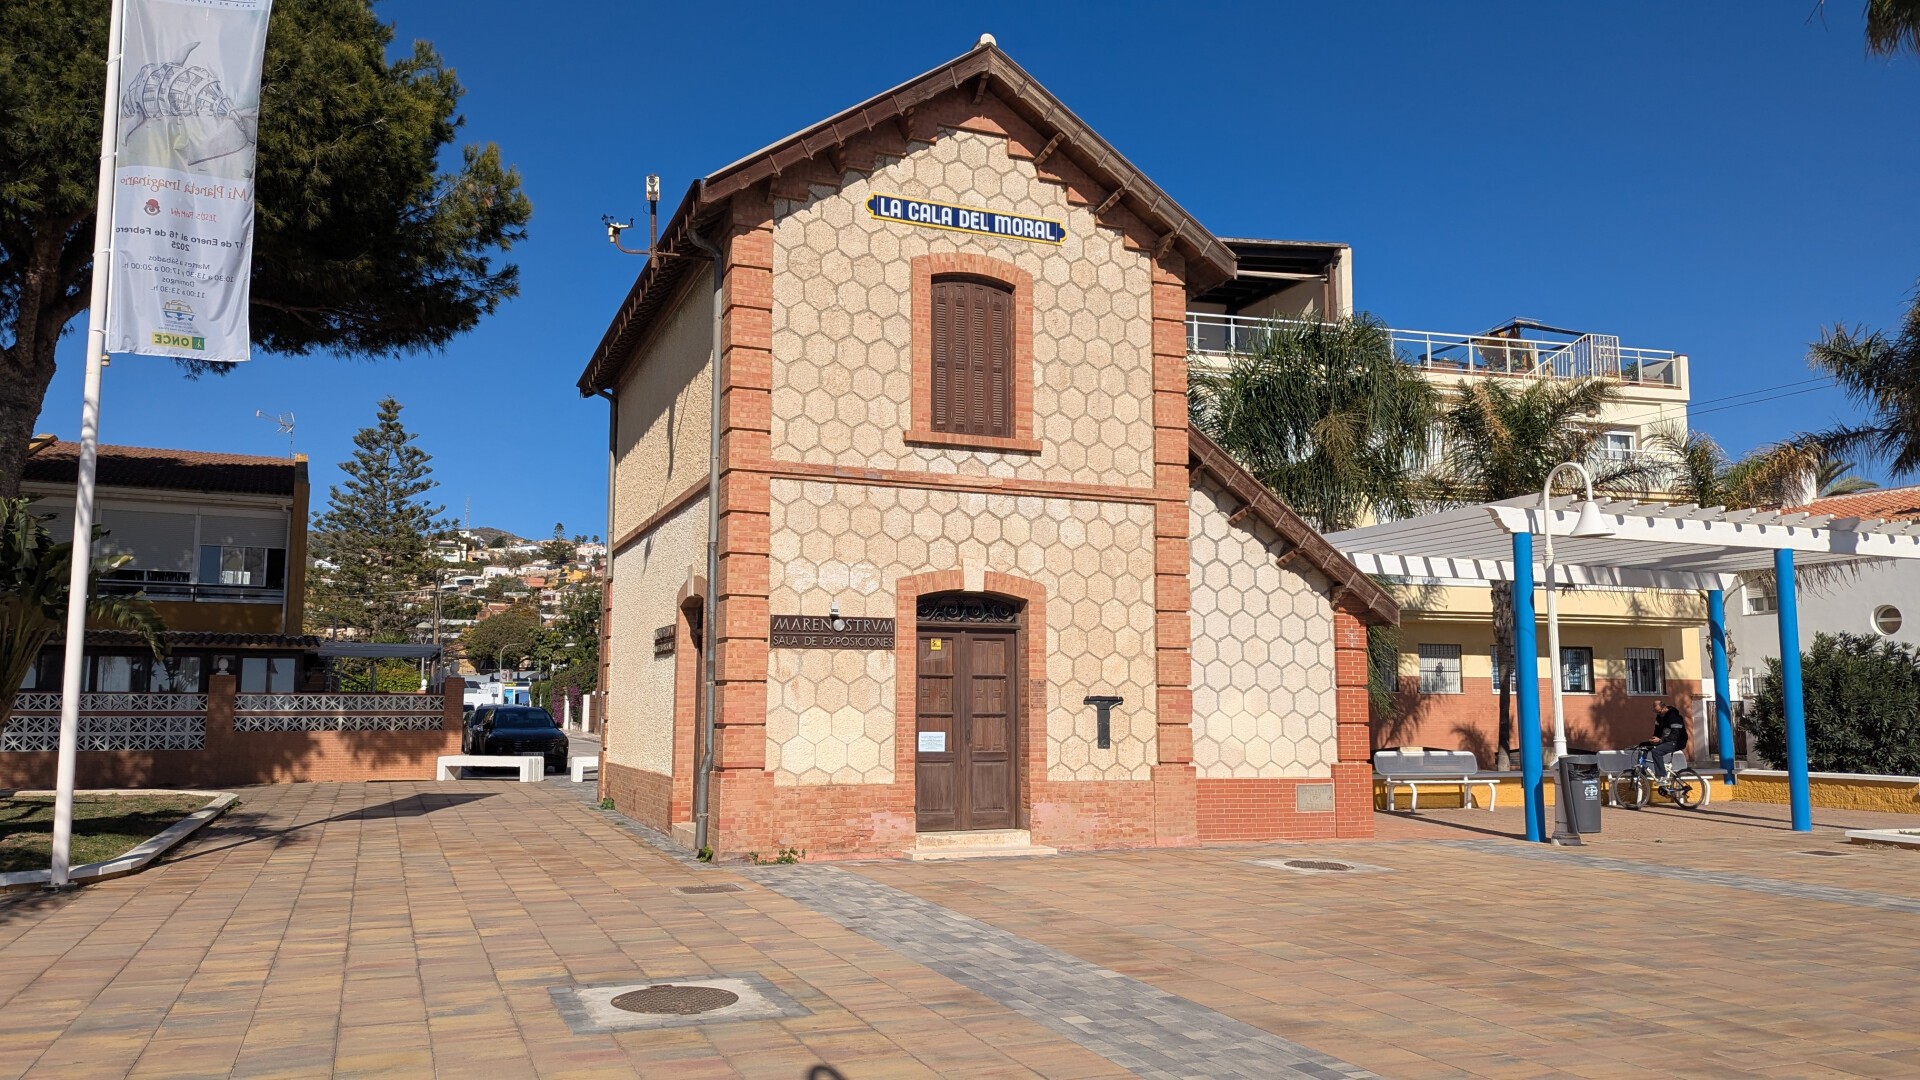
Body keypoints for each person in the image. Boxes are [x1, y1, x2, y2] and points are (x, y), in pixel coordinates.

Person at [1640, 701, 1690, 786]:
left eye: (1659, 711)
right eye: (1655, 711)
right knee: (1642, 746)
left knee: (1656, 752)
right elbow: (1657, 731)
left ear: (1664, 708)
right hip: (1665, 740)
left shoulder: (1674, 717)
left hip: (1678, 742)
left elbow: (1676, 735)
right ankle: (1641, 770)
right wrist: (1654, 739)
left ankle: (1662, 777)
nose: (1658, 714)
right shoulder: (1659, 717)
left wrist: (1660, 740)